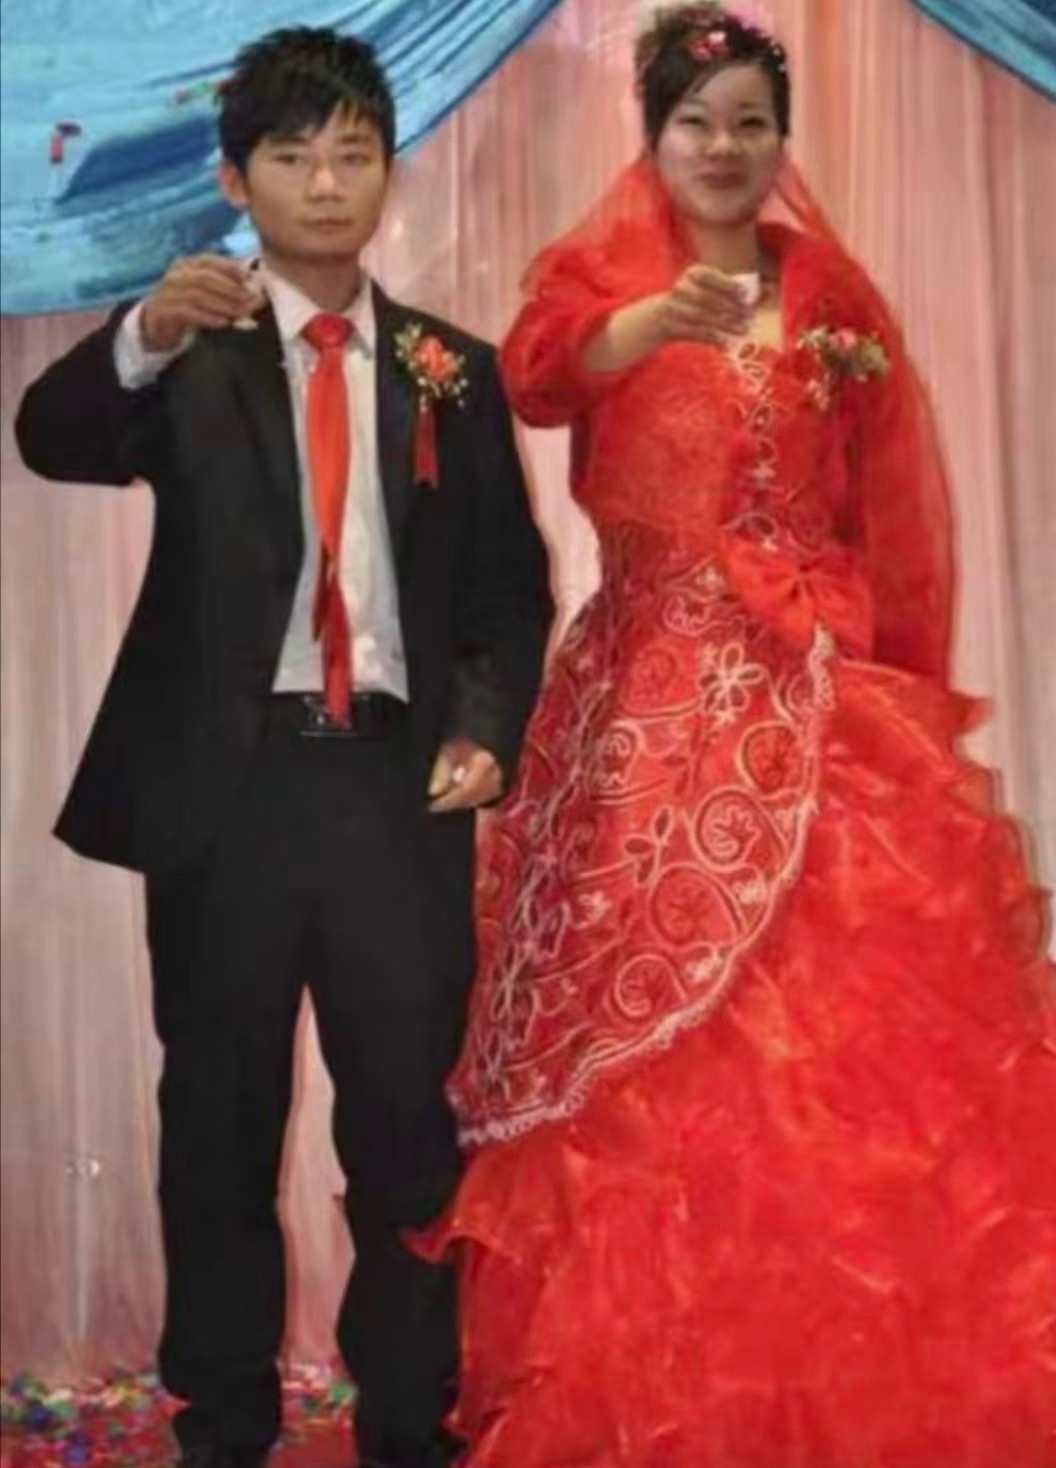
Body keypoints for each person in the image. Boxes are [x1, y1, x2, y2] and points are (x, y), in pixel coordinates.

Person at [419, 6, 1056, 1464]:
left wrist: (884, 672)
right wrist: (642, 329)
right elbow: (534, 378)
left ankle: (863, 1386)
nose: (724, 148)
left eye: (750, 123)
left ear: (781, 140)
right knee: (653, 1077)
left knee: (860, 1065)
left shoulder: (829, 287)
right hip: (647, 710)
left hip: (823, 703)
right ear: (653, 136)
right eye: (696, 122)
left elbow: (889, 503)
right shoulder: (599, 277)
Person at [15, 27, 552, 1468]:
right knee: (218, 1125)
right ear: (234, 179)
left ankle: (409, 1424)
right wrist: (142, 332)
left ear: (387, 170)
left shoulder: (451, 369)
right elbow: (51, 437)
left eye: (352, 154)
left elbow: (509, 589)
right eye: (293, 156)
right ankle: (226, 1424)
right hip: (227, 792)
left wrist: (484, 730)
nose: (325, 183)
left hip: (395, 791)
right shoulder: (192, 346)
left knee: (408, 1137)